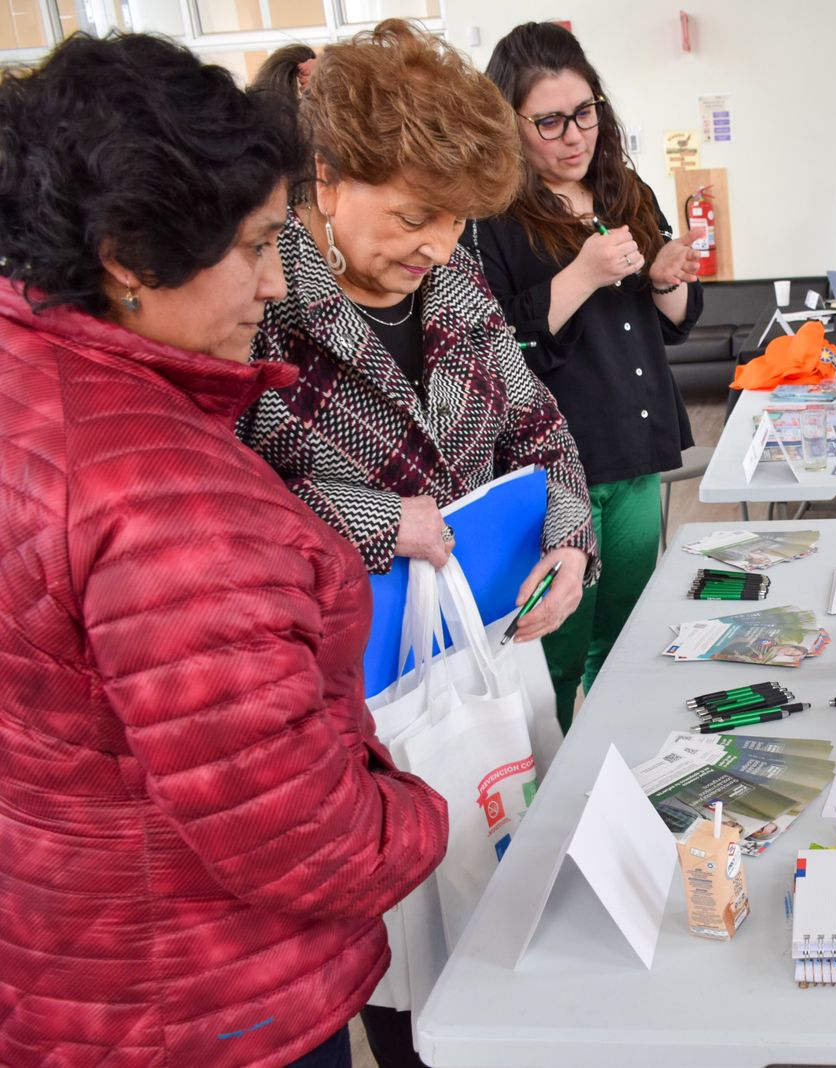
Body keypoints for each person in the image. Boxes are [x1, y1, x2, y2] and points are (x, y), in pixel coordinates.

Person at [0, 34, 446, 1068]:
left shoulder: (34, 387)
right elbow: (297, 831)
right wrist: (427, 817)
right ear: (126, 258)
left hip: (71, 958)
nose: (276, 286)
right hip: (211, 999)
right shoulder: (160, 494)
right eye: (251, 248)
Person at [235, 20, 595, 1065]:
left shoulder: (457, 287)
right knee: (403, 962)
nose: (432, 246)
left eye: (452, 223)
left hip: (484, 663)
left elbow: (541, 431)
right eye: (409, 217)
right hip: (349, 701)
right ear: (330, 175)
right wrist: (369, 521)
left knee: (503, 897)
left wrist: (569, 543)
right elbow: (218, 511)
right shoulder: (259, 307)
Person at [479, 20, 703, 728]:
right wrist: (580, 274)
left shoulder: (625, 189)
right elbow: (495, 348)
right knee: (557, 653)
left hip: (634, 448)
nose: (574, 136)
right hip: (554, 470)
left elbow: (674, 319)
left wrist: (668, 276)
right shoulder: (492, 218)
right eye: (549, 121)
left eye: (585, 114)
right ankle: (557, 794)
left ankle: (620, 764)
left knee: (631, 634)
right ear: (510, 124)